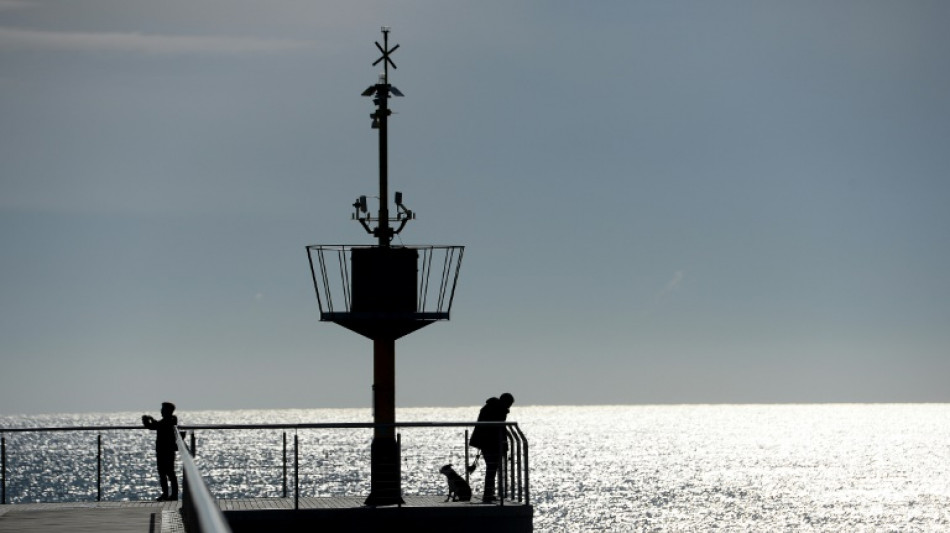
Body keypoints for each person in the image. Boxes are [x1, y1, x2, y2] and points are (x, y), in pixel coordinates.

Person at [468, 392, 515, 503]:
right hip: (491, 443)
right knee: (492, 468)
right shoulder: (498, 410)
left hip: (487, 442)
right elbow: (498, 429)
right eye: (509, 404)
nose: (509, 407)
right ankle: (488, 494)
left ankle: (489, 493)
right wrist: (503, 445)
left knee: (492, 468)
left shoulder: (490, 407)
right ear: (505, 402)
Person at [142, 402, 179, 501]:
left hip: (165, 451)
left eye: (163, 409)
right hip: (165, 450)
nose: (161, 411)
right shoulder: (170, 420)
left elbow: (154, 426)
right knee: (165, 472)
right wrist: (151, 421)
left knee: (168, 472)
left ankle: (171, 494)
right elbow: (157, 425)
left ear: (167, 411)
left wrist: (146, 420)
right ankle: (168, 494)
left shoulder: (168, 421)